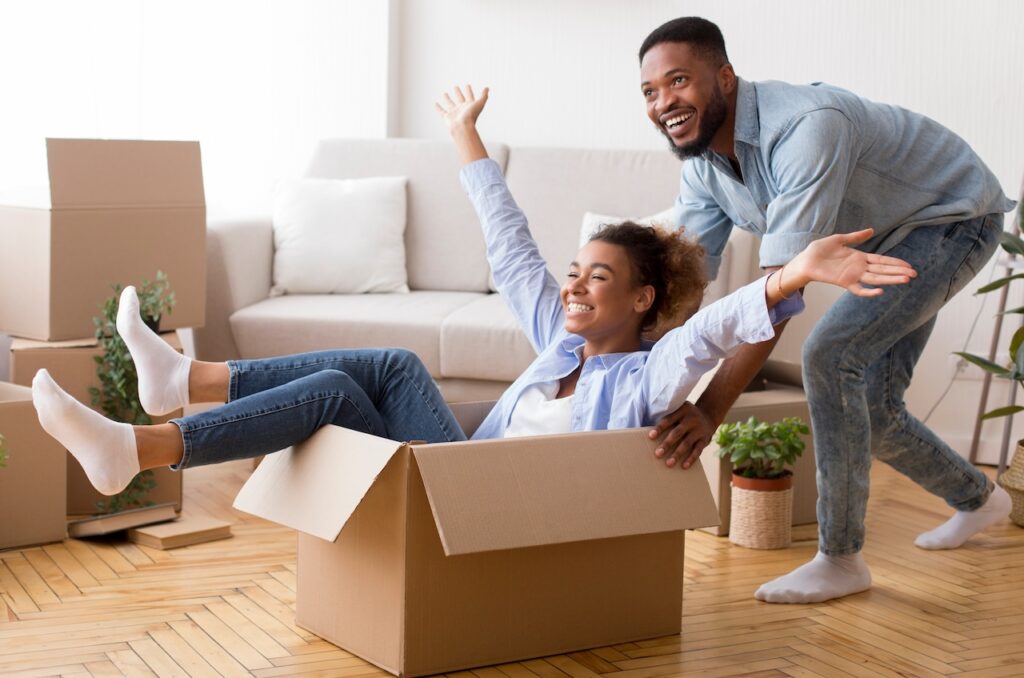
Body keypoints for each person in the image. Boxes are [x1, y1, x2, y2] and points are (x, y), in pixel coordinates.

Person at [31, 86, 914, 514]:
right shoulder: (555, 343)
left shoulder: (651, 373)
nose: (571, 284)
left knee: (347, 389)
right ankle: (176, 393)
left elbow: (720, 324)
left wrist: (794, 275)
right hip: (457, 467)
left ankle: (156, 426)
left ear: (646, 301)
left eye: (596, 278)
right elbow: (510, 242)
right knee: (374, 369)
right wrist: (463, 137)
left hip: (480, 497)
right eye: (576, 271)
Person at [638, 16, 1017, 604]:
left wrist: (710, 410)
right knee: (874, 403)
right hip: (883, 239)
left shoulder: (805, 129)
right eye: (650, 91)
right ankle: (979, 498)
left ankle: (841, 559)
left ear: (725, 78)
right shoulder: (703, 167)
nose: (665, 102)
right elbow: (683, 284)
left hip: (950, 215)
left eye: (679, 81)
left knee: (830, 352)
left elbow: (779, 296)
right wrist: (631, 358)